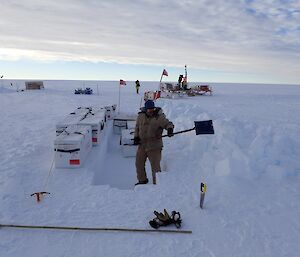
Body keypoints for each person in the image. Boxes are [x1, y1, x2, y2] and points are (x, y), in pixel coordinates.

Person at [134, 100, 174, 185]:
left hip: (154, 146)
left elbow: (168, 123)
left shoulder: (159, 117)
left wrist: (170, 129)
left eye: (152, 108)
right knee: (139, 163)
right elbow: (137, 127)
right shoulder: (140, 116)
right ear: (145, 109)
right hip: (142, 145)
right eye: (148, 109)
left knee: (155, 167)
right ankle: (142, 180)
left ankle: (157, 184)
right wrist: (136, 137)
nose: (150, 110)